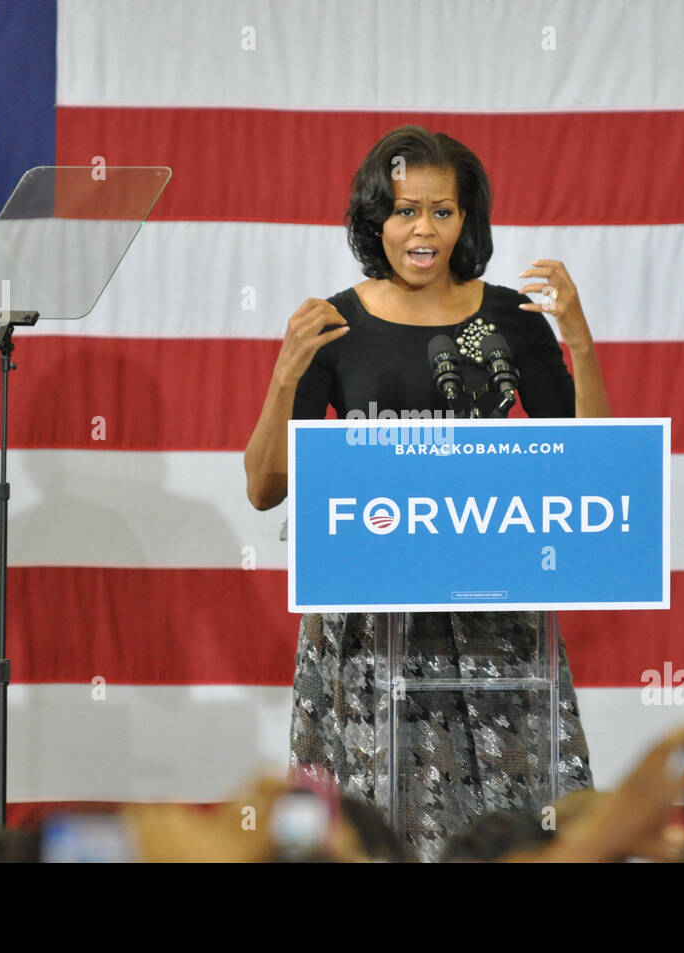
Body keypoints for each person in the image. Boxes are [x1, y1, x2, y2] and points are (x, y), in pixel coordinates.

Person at [243, 124, 612, 860]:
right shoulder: (335, 322)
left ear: (466, 221)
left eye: (443, 211)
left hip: (493, 617)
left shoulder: (512, 319)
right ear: (375, 218)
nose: (423, 230)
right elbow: (263, 487)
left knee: (510, 824)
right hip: (367, 623)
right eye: (406, 209)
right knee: (375, 830)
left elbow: (588, 463)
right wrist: (285, 375)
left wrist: (579, 339)